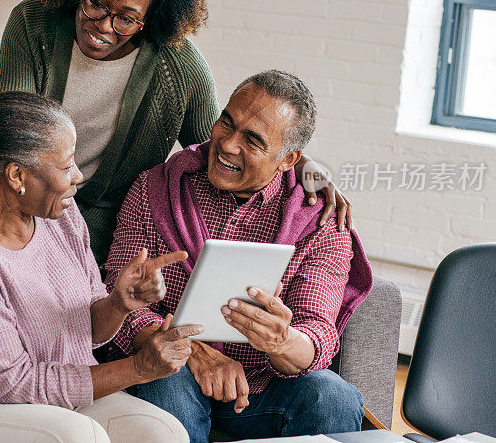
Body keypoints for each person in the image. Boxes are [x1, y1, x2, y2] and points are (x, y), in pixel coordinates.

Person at [0, 0, 352, 265]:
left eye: (126, 18)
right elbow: (4, 130)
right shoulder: (34, 23)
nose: (102, 27)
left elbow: (224, 142)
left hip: (100, 227)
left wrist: (303, 164)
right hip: (17, 200)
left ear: (152, 19)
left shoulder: (179, 66)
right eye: (96, 2)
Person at [0, 91, 204, 443]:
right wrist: (139, 368)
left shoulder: (58, 215)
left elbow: (85, 331)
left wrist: (118, 303)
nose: (78, 176)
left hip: (50, 391)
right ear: (17, 176)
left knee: (164, 433)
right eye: (66, 166)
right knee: (78, 437)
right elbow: (9, 384)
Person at [103, 70, 373, 442]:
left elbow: (317, 332)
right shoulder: (157, 187)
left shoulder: (321, 221)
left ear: (288, 159)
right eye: (225, 123)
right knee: (166, 379)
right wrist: (193, 353)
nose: (227, 145)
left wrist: (281, 340)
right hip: (170, 371)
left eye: (252, 140)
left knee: (333, 398)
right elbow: (115, 298)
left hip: (259, 392)